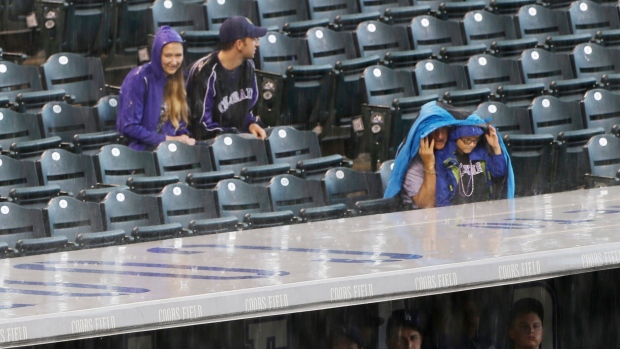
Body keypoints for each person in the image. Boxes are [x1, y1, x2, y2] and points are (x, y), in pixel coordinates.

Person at [384, 101, 514, 208]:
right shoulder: (415, 162)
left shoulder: (453, 153)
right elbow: (427, 207)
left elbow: (498, 175)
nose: (440, 136)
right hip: (418, 224)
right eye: (435, 131)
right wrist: (429, 165)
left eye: (444, 129)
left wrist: (496, 147)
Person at [186, 16, 267, 140]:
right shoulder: (205, 72)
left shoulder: (248, 66)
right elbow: (201, 128)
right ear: (239, 44)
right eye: (254, 39)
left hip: (235, 141)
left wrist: (251, 124)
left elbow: (247, 111)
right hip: (208, 147)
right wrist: (235, 135)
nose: (258, 43)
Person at [116, 26, 195, 151]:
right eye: (168, 56)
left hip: (171, 150)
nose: (174, 62)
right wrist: (166, 139)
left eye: (178, 55)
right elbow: (129, 127)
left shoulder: (179, 79)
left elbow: (177, 124)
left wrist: (184, 135)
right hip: (140, 152)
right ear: (157, 55)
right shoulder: (138, 79)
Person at [434, 124, 507, 207]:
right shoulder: (445, 158)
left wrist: (496, 147)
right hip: (457, 216)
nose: (472, 144)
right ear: (456, 137)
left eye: (475, 139)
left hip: (484, 212)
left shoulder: (481, 153)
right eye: (467, 140)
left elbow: (499, 174)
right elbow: (442, 196)